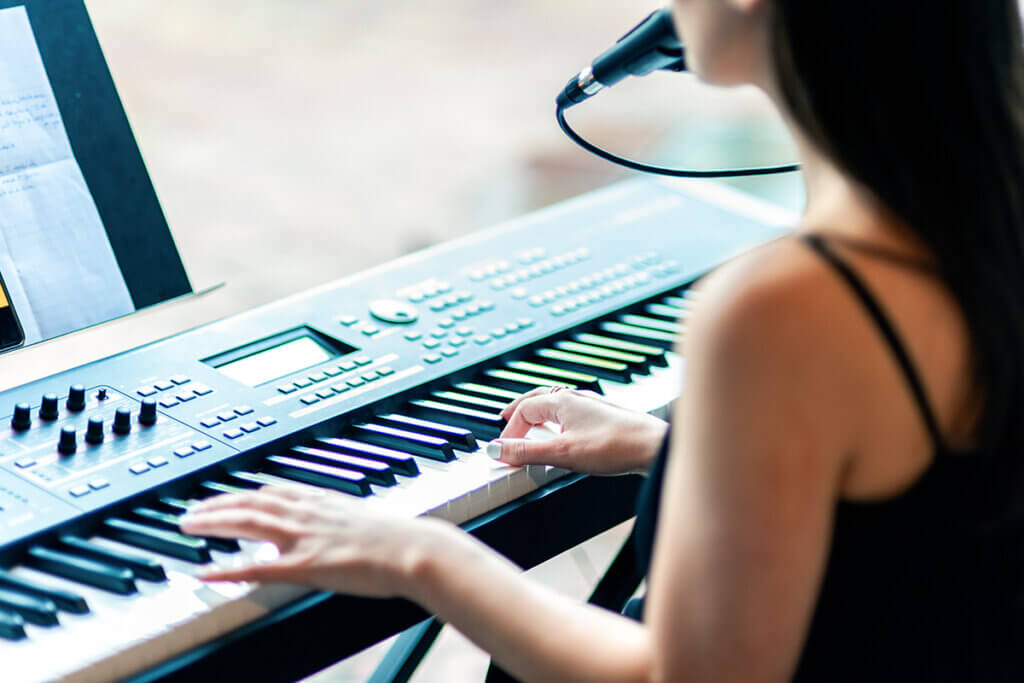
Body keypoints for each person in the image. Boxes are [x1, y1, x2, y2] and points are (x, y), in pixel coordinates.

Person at [180, 1, 1024, 680]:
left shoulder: (782, 309)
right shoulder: (978, 229)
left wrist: (420, 554)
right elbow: (925, 524)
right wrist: (676, 451)